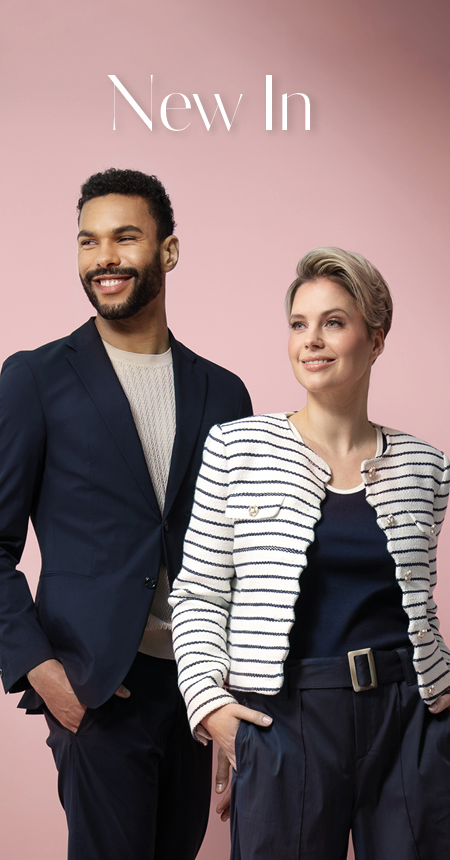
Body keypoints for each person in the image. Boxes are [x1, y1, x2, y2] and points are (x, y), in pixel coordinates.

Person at [0, 168, 253, 860]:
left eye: (125, 238)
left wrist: (225, 698)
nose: (104, 259)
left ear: (168, 251)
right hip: (99, 690)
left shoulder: (225, 393)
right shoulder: (34, 380)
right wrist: (42, 671)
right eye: (88, 242)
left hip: (195, 691)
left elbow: (241, 558)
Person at [170, 247, 450, 860]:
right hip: (286, 716)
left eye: (334, 322)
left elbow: (417, 601)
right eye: (299, 324)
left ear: (376, 339)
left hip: (409, 718)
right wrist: (210, 703)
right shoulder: (237, 449)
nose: (311, 341)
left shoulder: (425, 466)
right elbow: (198, 594)